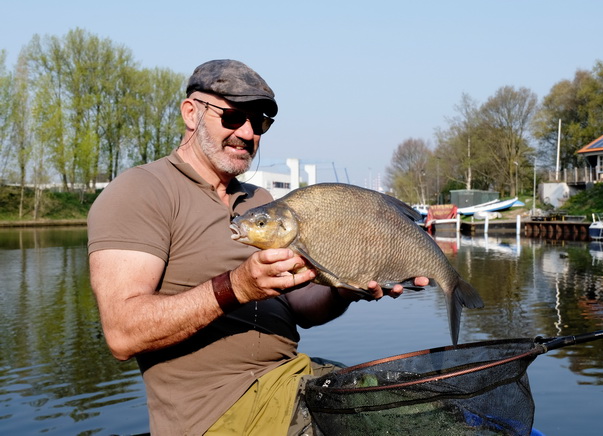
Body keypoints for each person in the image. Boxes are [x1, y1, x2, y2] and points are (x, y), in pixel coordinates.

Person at [88, 59, 427, 436]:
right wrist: (234, 287)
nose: (248, 133)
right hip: (218, 414)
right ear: (191, 113)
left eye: (260, 121)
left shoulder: (261, 203)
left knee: (420, 409)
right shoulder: (141, 190)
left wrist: (345, 289)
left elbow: (303, 308)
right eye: (233, 117)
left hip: (294, 379)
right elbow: (122, 334)